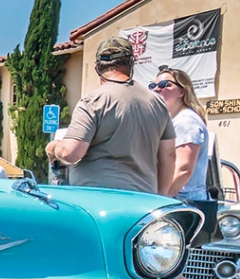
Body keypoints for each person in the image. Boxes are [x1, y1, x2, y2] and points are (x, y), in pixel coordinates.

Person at [45, 37, 176, 195]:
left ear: (96, 68)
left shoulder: (93, 101)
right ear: (132, 63)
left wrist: (55, 147)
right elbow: (169, 155)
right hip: (144, 201)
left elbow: (71, 154)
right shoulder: (158, 103)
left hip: (100, 202)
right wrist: (160, 197)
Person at [154, 66, 227, 279]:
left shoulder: (186, 122)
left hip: (182, 203)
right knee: (172, 271)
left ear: (182, 90)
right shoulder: (178, 120)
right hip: (181, 202)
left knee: (167, 272)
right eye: (155, 85)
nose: (159, 89)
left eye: (166, 84)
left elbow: (183, 168)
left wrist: (160, 197)